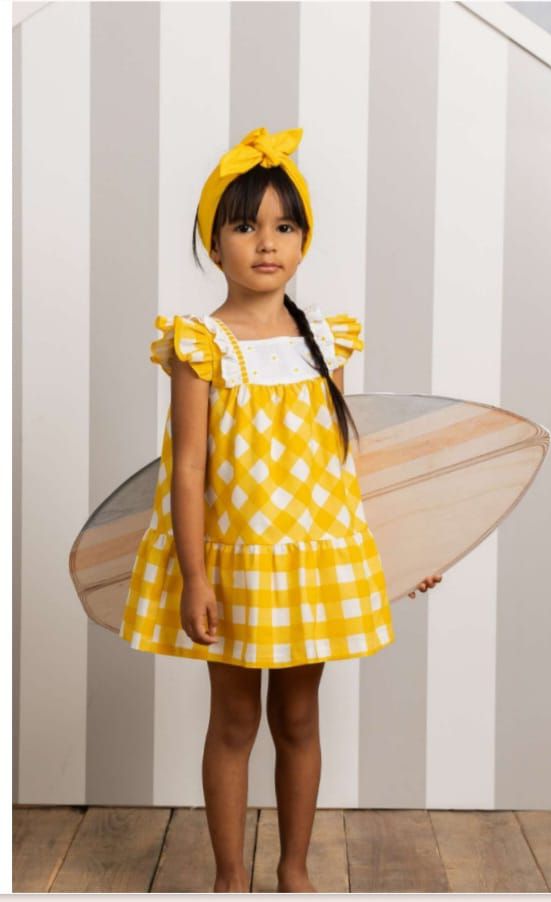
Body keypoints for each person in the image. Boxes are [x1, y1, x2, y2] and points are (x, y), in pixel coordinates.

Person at [118, 126, 442, 893]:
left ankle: (294, 870)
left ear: (303, 242)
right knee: (234, 722)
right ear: (214, 242)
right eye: (245, 225)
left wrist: (400, 556)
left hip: (314, 562)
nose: (267, 242)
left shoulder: (324, 342)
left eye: (285, 226)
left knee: (299, 720)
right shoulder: (201, 345)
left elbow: (344, 466)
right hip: (235, 567)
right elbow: (187, 470)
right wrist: (196, 578)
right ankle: (231, 876)